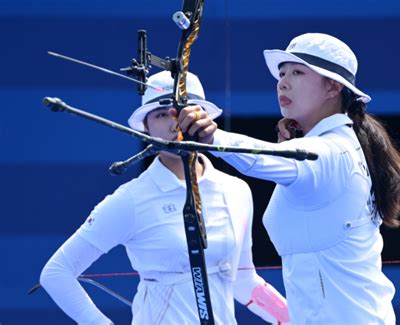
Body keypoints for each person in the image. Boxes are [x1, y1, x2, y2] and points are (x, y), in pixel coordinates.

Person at [177, 33, 400, 324]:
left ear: (333, 86)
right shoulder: (336, 144)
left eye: (298, 72)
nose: (283, 82)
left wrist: (212, 136)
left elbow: (266, 159)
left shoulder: (334, 151)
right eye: (282, 73)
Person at [39, 71, 290, 325]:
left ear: (202, 118)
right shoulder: (132, 199)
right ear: (146, 127)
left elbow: (242, 279)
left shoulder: (235, 190)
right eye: (161, 115)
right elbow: (56, 273)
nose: (175, 125)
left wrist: (294, 319)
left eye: (183, 112)